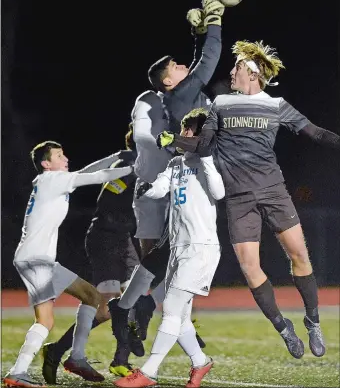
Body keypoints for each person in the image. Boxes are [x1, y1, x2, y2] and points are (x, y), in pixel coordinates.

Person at [157, 40, 340, 359]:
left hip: (274, 192)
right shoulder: (221, 104)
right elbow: (203, 147)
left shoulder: (277, 105)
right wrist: (174, 141)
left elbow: (316, 133)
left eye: (237, 67)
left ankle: (312, 322)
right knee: (250, 268)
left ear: (253, 74)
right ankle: (284, 328)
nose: (231, 71)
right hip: (239, 199)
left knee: (300, 257)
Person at [109, 0, 225, 345]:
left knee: (174, 253)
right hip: (195, 175)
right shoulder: (178, 95)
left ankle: (140, 307)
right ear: (168, 82)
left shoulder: (180, 93)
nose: (181, 67)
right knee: (182, 252)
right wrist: (216, 22)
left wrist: (197, 32)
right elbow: (209, 59)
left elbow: (196, 62)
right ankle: (148, 310)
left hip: (197, 171)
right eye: (174, 66)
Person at [3, 141, 134, 388]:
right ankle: (17, 372)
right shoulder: (51, 180)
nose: (66, 159)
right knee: (45, 321)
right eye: (59, 156)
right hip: (37, 260)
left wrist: (116, 155)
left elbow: (85, 173)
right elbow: (100, 176)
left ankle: (76, 357)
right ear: (46, 164)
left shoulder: (52, 181)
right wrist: (135, 169)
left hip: (38, 259)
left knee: (92, 297)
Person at [114, 108, 225, 388]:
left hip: (200, 248)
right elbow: (160, 189)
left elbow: (220, 192)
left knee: (171, 309)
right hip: (178, 248)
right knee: (182, 317)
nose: (184, 134)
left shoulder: (208, 161)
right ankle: (201, 362)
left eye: (188, 130)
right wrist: (146, 189)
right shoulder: (176, 163)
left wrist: (208, 159)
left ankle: (149, 371)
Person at [41, 126, 141, 384]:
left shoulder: (142, 162)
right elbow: (107, 199)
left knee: (134, 297)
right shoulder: (129, 163)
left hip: (122, 239)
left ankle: (121, 356)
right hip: (107, 238)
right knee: (106, 305)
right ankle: (64, 351)